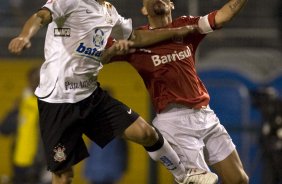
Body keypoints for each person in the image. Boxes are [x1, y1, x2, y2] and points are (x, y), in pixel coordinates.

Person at [8, 0, 218, 183]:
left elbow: (135, 37)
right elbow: (40, 16)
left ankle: (185, 176)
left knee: (147, 133)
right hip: (57, 101)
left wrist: (175, 32)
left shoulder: (109, 11)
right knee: (64, 176)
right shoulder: (70, 1)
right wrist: (24, 36)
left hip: (90, 95)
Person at [103, 0, 250, 183]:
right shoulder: (134, 37)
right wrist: (113, 49)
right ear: (143, 9)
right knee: (199, 181)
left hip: (206, 115)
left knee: (239, 180)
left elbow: (221, 17)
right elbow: (100, 55)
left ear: (171, 5)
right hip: (174, 121)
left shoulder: (186, 26)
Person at [0, 67, 51, 184]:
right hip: (21, 164)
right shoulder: (23, 104)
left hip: (40, 165)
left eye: (38, 80)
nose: (34, 84)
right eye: (32, 80)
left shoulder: (51, 106)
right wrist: (15, 111)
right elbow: (4, 129)